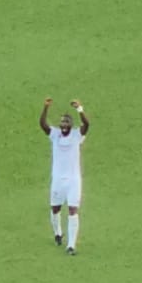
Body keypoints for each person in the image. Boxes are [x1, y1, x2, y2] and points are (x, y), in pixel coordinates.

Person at [38, 97, 88, 253]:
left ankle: (71, 245)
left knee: (73, 210)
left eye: (66, 122)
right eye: (62, 122)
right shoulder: (55, 134)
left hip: (74, 180)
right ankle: (58, 233)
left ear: (71, 125)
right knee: (55, 209)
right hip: (58, 180)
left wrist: (80, 109)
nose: (64, 125)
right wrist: (45, 107)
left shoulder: (76, 135)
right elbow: (43, 125)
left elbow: (87, 125)